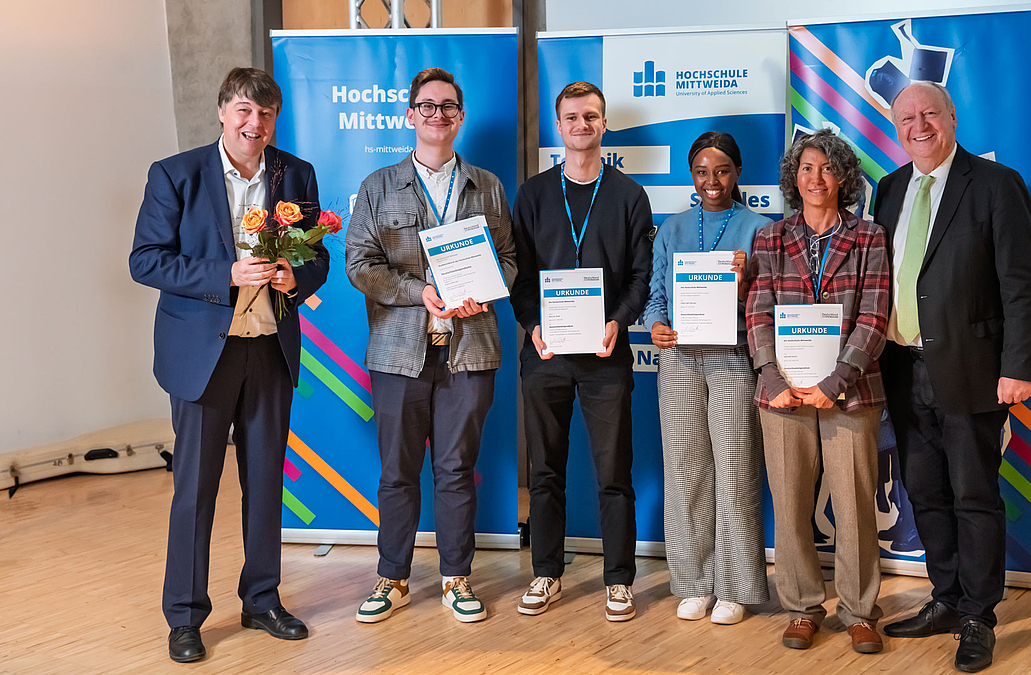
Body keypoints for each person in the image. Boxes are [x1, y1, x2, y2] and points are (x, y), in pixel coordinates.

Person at [129, 67, 329, 663]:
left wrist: (300, 276)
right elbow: (145, 260)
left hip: (269, 347)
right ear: (223, 113)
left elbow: (315, 254)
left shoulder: (296, 174)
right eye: (244, 110)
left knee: (266, 484)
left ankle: (262, 599)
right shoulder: (175, 173)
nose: (255, 123)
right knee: (194, 489)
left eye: (266, 114)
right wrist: (225, 275)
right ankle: (186, 616)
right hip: (201, 354)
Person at [875, 81, 1031, 673]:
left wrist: (1019, 366)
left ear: (951, 117)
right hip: (901, 366)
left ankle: (978, 616)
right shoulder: (889, 190)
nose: (918, 125)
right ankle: (945, 598)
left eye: (930, 114)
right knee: (926, 493)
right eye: (906, 117)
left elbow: (1021, 285)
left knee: (974, 495)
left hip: (972, 370)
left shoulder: (996, 184)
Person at [344, 67, 516, 625]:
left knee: (456, 469)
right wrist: (422, 293)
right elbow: (359, 266)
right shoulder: (377, 186)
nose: (436, 115)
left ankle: (455, 579)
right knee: (396, 471)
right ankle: (391, 579)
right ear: (410, 116)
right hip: (399, 352)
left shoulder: (487, 185)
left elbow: (510, 261)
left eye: (447, 107)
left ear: (459, 117)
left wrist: (488, 289)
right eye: (426, 106)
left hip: (470, 348)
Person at [510, 81, 653, 622]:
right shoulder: (533, 194)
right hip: (545, 353)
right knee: (545, 470)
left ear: (603, 123)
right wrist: (532, 324)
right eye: (571, 117)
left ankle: (619, 580)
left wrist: (619, 321)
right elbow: (519, 273)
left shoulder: (628, 196)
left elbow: (641, 278)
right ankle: (546, 573)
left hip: (606, 355)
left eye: (591, 116)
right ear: (558, 124)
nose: (581, 125)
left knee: (614, 472)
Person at [745, 129, 891, 655]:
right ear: (793, 177)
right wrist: (770, 377)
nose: (816, 178)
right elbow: (757, 313)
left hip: (850, 392)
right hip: (781, 395)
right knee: (789, 504)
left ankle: (858, 611)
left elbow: (874, 319)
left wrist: (834, 383)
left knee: (853, 506)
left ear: (843, 178)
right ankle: (802, 607)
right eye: (807, 168)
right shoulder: (769, 238)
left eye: (827, 168)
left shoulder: (870, 237)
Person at [643, 132, 771, 625]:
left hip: (734, 357)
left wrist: (745, 284)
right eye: (701, 171)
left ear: (737, 172)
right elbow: (657, 294)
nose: (711, 181)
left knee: (736, 473)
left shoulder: (760, 229)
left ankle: (735, 588)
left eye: (721, 170)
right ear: (691, 176)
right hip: (678, 361)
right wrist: (656, 325)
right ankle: (695, 583)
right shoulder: (672, 228)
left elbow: (771, 300)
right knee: (684, 474)